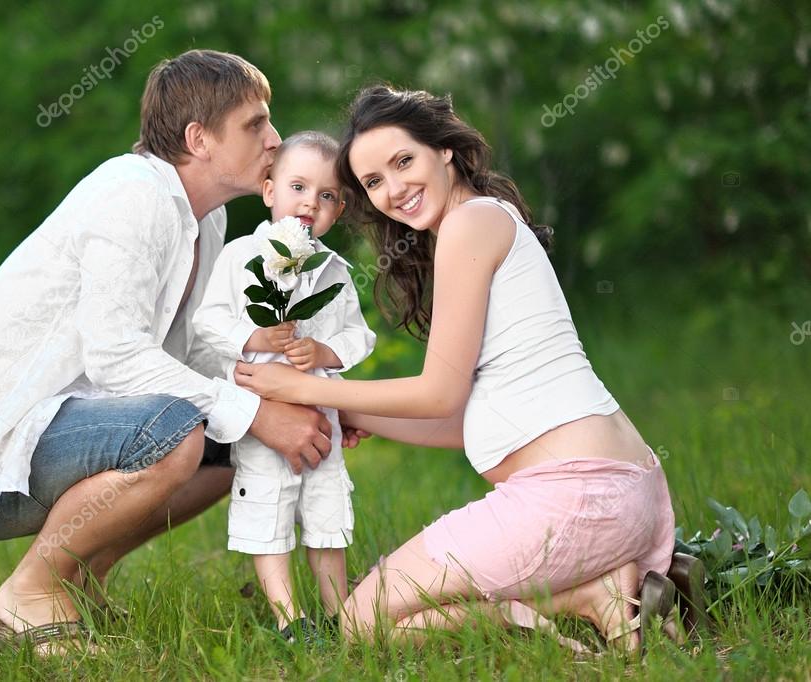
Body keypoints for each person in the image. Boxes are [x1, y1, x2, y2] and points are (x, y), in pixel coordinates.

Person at [0, 50, 340, 656]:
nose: (275, 140)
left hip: (68, 431)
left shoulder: (206, 219)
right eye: (255, 124)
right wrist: (256, 410)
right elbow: (117, 358)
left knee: (233, 441)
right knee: (177, 430)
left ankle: (77, 582)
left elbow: (200, 361)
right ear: (199, 139)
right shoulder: (132, 196)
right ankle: (29, 593)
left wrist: (314, 402)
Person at [233, 85, 680, 653]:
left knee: (360, 622)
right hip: (622, 491)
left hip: (577, 495)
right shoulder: (483, 224)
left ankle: (581, 599)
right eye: (373, 182)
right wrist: (336, 404)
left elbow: (439, 393)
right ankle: (605, 591)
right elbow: (458, 420)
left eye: (403, 162)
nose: (394, 190)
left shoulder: (472, 223)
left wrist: (294, 384)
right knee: (379, 615)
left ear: (443, 149)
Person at [193, 131, 376, 642]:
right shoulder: (240, 258)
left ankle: (339, 612)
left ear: (337, 210)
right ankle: (288, 617)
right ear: (269, 190)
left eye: (325, 196)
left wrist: (325, 352)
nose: (308, 204)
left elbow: (358, 333)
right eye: (298, 187)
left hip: (321, 417)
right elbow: (206, 322)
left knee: (327, 507)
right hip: (264, 414)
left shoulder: (335, 272)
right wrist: (250, 335)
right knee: (268, 504)